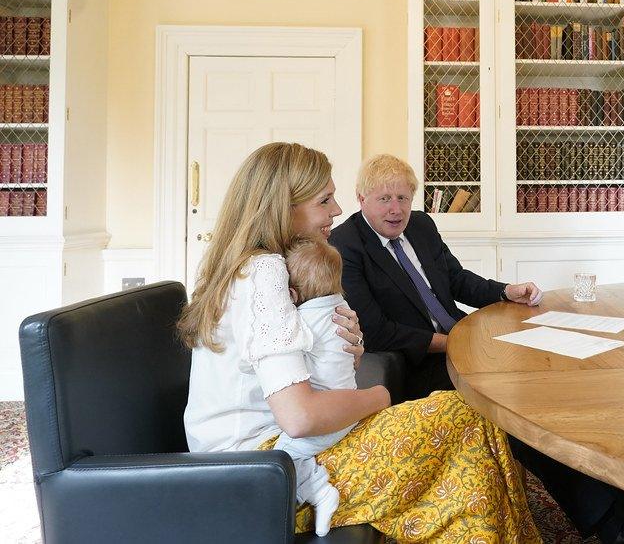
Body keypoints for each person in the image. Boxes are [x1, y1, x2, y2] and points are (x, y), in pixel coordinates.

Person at [330, 154, 624, 544]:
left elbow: (456, 280)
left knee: (554, 386)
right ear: (362, 198)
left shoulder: (422, 225)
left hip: (463, 340)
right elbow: (376, 331)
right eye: (385, 199)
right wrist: (455, 342)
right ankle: (620, 524)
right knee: (519, 409)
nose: (396, 209)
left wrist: (504, 291)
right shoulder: (345, 245)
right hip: (419, 364)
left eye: (404, 198)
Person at [181, 142, 541, 541]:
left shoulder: (248, 265)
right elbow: (300, 417)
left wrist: (341, 353)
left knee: (465, 428)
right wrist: (380, 396)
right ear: (285, 207)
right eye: (325, 200)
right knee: (464, 416)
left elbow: (284, 383)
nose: (336, 210)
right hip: (265, 472)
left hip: (261, 458)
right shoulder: (265, 273)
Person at [271, 236, 355, 536]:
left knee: (282, 457)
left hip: (325, 416)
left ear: (291, 293)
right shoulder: (342, 308)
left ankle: (318, 491)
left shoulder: (302, 320)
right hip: (346, 408)